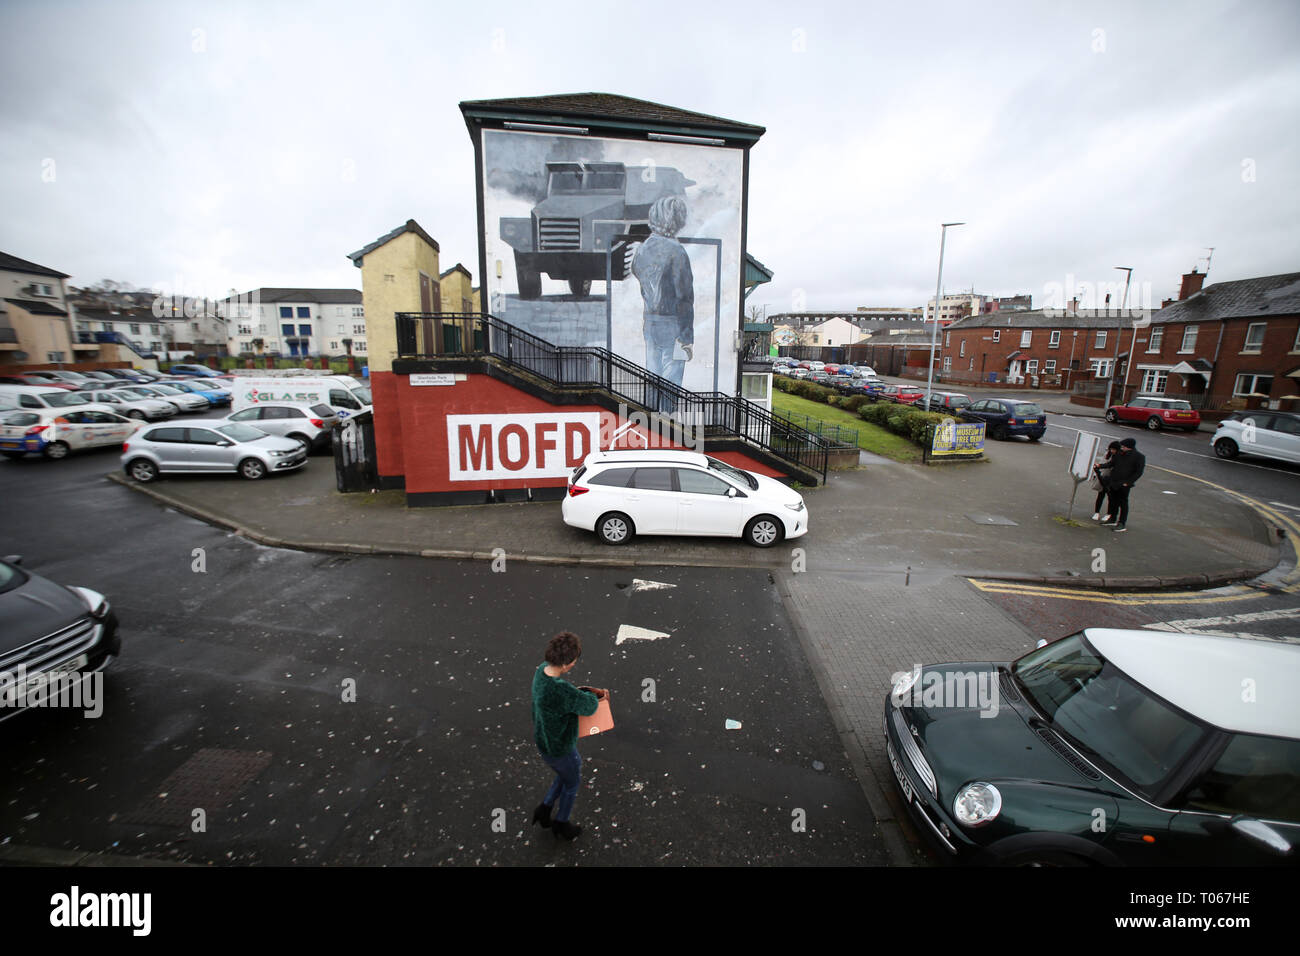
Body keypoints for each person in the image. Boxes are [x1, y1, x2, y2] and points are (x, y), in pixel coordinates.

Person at [531, 631, 607, 841]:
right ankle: (561, 823)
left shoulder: (540, 671)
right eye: (573, 661)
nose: (574, 664)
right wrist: (591, 694)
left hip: (544, 740)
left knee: (565, 774)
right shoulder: (560, 691)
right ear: (565, 664)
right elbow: (589, 706)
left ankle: (544, 809)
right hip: (560, 746)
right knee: (572, 782)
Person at [629, 195, 695, 414]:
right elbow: (684, 297)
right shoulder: (677, 251)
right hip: (674, 321)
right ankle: (667, 423)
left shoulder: (643, 248)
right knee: (672, 376)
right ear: (677, 219)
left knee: (653, 374)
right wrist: (687, 336)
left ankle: (651, 418)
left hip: (650, 321)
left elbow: (637, 272)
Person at [1094, 437, 1145, 532]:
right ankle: (1113, 518)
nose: (1121, 448)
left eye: (1123, 446)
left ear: (1129, 447)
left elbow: (1138, 472)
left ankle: (1122, 523)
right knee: (1113, 501)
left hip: (1124, 484)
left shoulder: (1139, 457)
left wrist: (1128, 483)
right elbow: (1111, 464)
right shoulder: (1119, 454)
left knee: (1123, 503)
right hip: (1114, 482)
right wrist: (1100, 466)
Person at [1091, 440, 1122, 522]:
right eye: (1111, 449)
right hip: (1103, 477)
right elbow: (1103, 462)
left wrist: (1100, 467)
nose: (1112, 451)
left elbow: (1109, 465)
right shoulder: (1107, 454)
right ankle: (1096, 512)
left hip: (1112, 479)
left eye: (1113, 449)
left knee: (1110, 497)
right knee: (1100, 495)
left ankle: (1108, 514)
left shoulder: (1119, 457)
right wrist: (1096, 474)